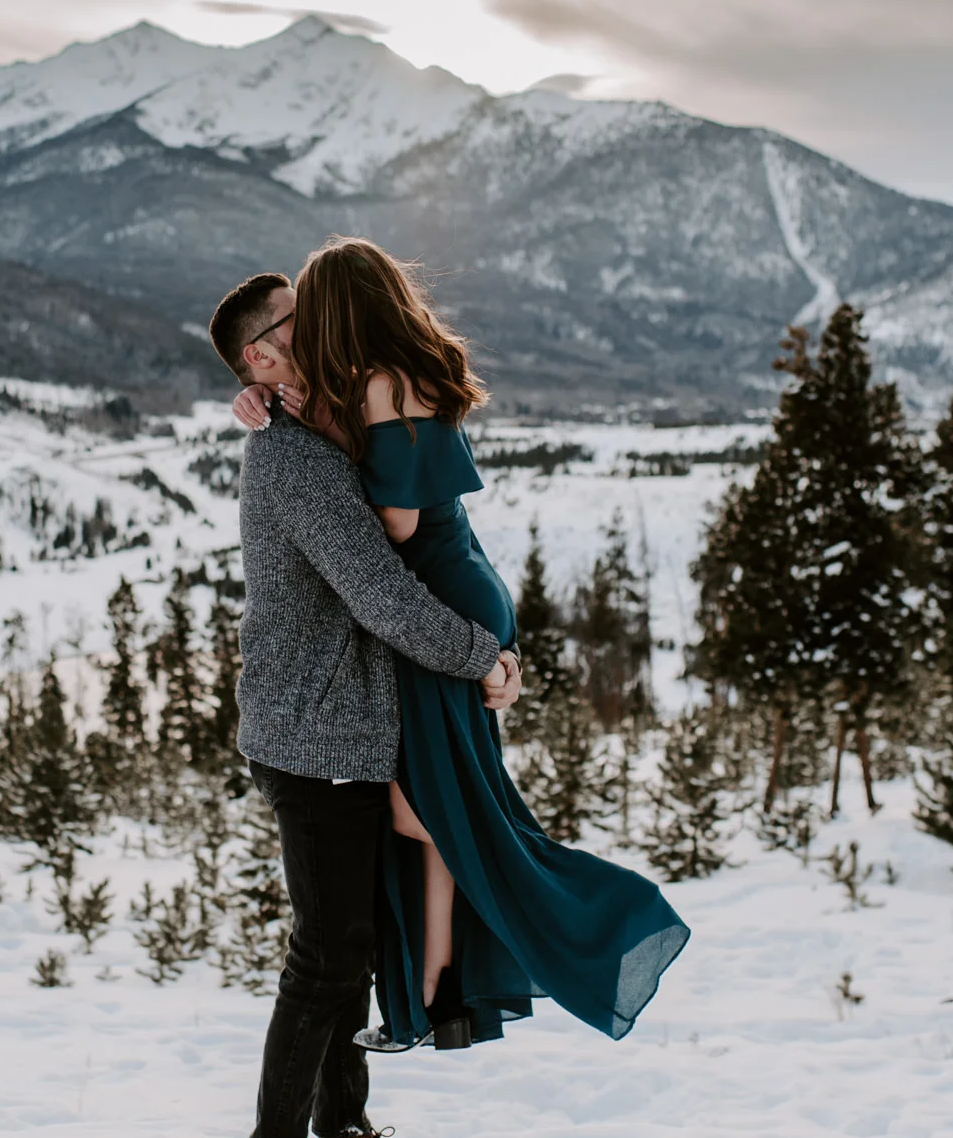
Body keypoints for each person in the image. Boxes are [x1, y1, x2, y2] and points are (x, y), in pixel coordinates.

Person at [231, 238, 689, 1058]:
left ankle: (592, 923)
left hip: (440, 603)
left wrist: (332, 516)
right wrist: (274, 406)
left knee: (452, 813)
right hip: (459, 592)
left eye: (310, 309)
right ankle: (438, 987)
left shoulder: (373, 385)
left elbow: (393, 536)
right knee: (438, 812)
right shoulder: (376, 378)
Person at [208, 269, 524, 1138]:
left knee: (347, 954)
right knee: (327, 958)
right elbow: (379, 596)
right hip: (317, 738)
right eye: (298, 321)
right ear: (260, 354)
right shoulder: (292, 461)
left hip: (340, 731)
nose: (323, 324)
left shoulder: (315, 425)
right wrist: (485, 659)